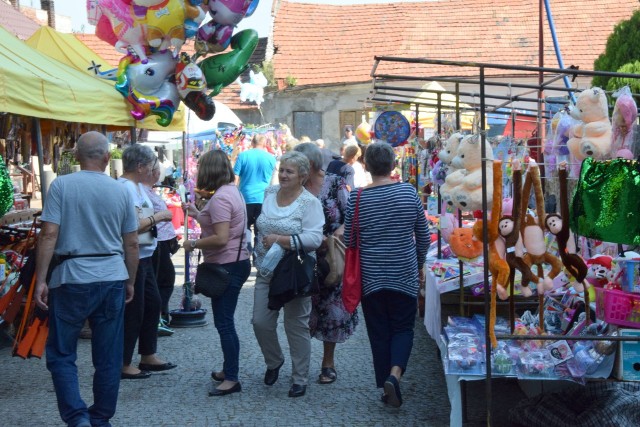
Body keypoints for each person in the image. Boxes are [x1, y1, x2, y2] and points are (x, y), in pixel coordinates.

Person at [34, 131, 139, 427]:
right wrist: (130, 280)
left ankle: (77, 418)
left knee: (62, 353)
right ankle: (101, 417)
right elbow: (131, 243)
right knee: (108, 355)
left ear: (77, 157)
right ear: (107, 158)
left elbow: (49, 234)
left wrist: (41, 279)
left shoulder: (61, 186)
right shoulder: (121, 191)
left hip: (71, 277)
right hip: (111, 276)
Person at [343, 142, 429, 408]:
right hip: (403, 274)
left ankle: (385, 387)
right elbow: (423, 236)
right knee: (403, 328)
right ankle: (395, 375)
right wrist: (417, 264)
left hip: (371, 278)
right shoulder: (407, 192)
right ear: (393, 164)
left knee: (379, 332)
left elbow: (350, 240)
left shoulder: (356, 198)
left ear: (366, 166)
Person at [252, 151, 324, 398]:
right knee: (260, 322)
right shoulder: (269, 193)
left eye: (289, 171)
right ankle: (274, 361)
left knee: (296, 326)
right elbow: (261, 224)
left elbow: (315, 238)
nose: (283, 175)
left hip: (295, 272)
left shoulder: (309, 202)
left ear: (302, 177)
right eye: (282, 170)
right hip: (266, 268)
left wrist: (281, 240)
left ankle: (299, 378)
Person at [182, 150, 251, 397]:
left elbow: (221, 238)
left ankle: (232, 377)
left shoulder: (221, 198)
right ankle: (227, 369)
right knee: (225, 321)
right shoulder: (231, 192)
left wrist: (193, 245)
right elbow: (223, 226)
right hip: (235, 261)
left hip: (227, 265)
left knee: (224, 323)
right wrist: (198, 214)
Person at [293, 143, 359, 385]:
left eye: (298, 165)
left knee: (332, 310)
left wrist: (335, 236)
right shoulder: (293, 187)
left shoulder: (335, 183)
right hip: (301, 257)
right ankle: (300, 364)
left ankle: (328, 363)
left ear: (310, 165)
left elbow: (350, 217)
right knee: (300, 311)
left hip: (331, 257)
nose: (292, 170)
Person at [119, 144, 176, 379]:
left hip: (145, 254)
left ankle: (148, 353)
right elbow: (132, 225)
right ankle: (123, 361)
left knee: (152, 304)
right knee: (135, 309)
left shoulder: (138, 187)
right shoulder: (126, 188)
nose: (155, 169)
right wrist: (159, 217)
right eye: (152, 165)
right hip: (134, 256)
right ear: (140, 167)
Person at [142, 164, 178, 336]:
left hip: (161, 240)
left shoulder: (149, 190)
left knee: (165, 279)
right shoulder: (141, 191)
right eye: (156, 170)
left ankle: (159, 316)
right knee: (162, 280)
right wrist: (161, 216)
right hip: (155, 241)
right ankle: (156, 318)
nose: (159, 173)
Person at [233, 134, 276, 258]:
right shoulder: (271, 158)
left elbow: (235, 177)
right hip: (264, 198)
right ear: (264, 143)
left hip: (245, 197)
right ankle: (258, 253)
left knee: (245, 227)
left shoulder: (243, 156)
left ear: (252, 143)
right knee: (260, 229)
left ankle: (247, 249)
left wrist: (234, 194)